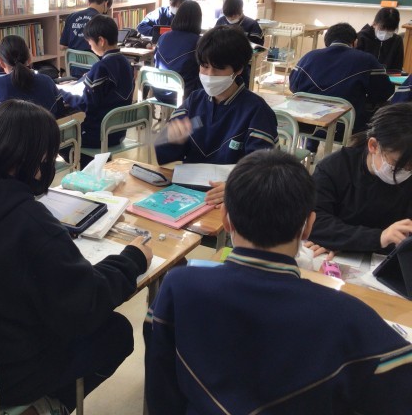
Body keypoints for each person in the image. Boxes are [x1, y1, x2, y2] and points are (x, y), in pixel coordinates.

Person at [0, 99, 152, 412]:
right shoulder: (29, 222)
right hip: (1, 376)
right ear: (39, 160)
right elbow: (84, 306)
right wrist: (131, 259)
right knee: (116, 332)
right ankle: (48, 406)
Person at [144, 149, 412, 415]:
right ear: (308, 227)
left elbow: (160, 387)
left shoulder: (179, 286)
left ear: (226, 219)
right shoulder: (350, 317)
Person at [154, 25, 277, 206]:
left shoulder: (257, 111)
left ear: (238, 69)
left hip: (231, 200)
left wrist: (236, 188)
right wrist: (170, 139)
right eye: (204, 66)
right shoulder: (194, 101)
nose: (209, 75)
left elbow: (264, 172)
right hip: (187, 194)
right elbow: (165, 157)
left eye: (218, 69)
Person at [306, 104, 412, 258]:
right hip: (338, 257)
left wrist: (347, 242)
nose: (406, 171)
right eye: (398, 164)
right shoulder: (335, 168)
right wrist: (378, 238)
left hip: (388, 259)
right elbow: (315, 222)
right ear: (373, 146)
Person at [289, 22, 395, 152]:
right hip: (345, 127)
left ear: (326, 41)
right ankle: (356, 155)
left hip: (306, 124)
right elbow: (384, 92)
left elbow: (293, 87)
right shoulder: (366, 60)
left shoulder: (309, 57)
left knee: (313, 102)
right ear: (354, 42)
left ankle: (310, 149)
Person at [61, 14, 134, 153]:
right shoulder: (126, 63)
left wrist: (63, 93)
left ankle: (87, 164)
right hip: (117, 131)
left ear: (101, 41)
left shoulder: (101, 67)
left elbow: (86, 104)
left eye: (90, 43)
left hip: (97, 134)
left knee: (58, 141)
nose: (89, 46)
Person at [0, 35, 66, 121]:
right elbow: (60, 111)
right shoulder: (47, 82)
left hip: (10, 135)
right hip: (46, 134)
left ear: (1, 63)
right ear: (29, 59)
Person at [152, 0, 202, 104]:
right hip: (185, 94)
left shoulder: (163, 37)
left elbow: (155, 61)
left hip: (158, 92)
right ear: (198, 20)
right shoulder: (198, 42)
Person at [59, 0, 113, 78]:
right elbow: (108, 48)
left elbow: (62, 46)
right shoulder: (102, 20)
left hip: (74, 70)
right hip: (95, 72)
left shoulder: (72, 16)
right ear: (106, 3)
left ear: (89, 1)